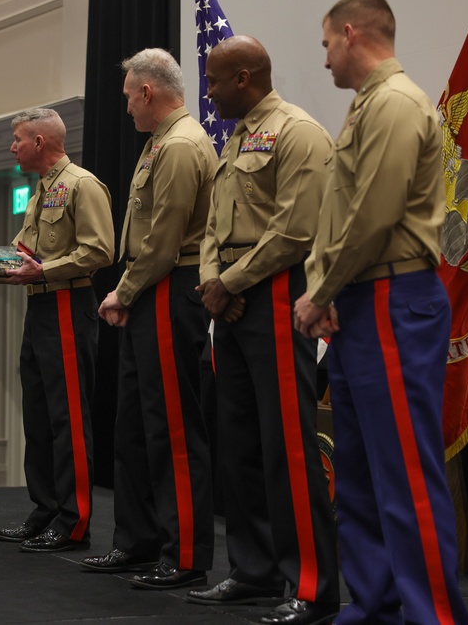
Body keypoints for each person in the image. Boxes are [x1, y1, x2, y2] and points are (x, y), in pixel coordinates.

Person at [294, 0, 468, 625]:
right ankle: (373, 607)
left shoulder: (395, 104)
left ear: (350, 33)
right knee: (363, 475)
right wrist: (329, 290)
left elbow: (373, 215)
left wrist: (321, 292)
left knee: (404, 475)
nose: (324, 61)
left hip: (394, 297)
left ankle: (433, 618)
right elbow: (336, 216)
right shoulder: (366, 107)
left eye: (325, 46)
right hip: (362, 299)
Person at [186, 36, 340, 625]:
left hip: (276, 292)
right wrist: (211, 282)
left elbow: (297, 231)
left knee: (287, 448)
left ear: (245, 78)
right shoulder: (239, 136)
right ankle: (253, 571)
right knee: (241, 447)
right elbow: (212, 229)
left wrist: (232, 282)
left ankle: (313, 585)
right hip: (231, 297)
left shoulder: (298, 132)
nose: (209, 92)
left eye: (215, 82)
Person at [88, 48, 216, 590]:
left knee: (172, 430)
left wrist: (123, 291)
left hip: (167, 287)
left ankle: (184, 554)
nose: (125, 110)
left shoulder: (183, 144)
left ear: (147, 91)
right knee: (135, 427)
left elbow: (163, 243)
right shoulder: (159, 143)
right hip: (149, 292)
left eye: (127, 98)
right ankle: (137, 542)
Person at [0, 108, 114, 553]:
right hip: (39, 307)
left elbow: (101, 250)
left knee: (68, 419)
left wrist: (42, 271)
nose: (13, 147)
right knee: (39, 416)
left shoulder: (83, 184)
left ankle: (73, 520)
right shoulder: (40, 187)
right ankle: (43, 510)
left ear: (40, 142)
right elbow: (27, 252)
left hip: (67, 303)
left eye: (19, 139)